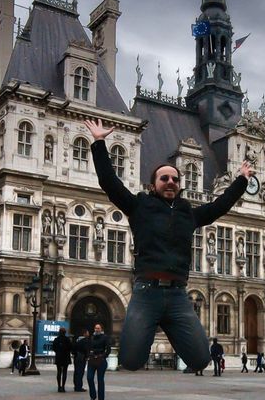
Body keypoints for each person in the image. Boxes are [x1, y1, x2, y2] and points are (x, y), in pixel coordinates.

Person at [85, 119, 251, 372]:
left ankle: (170, 327)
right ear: (154, 185)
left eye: (175, 178)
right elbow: (110, 183)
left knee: (199, 360)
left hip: (177, 295)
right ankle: (150, 325)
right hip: (146, 292)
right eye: (164, 178)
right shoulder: (139, 206)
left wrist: (241, 180)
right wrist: (98, 142)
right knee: (130, 361)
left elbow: (220, 206)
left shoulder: (189, 213)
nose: (171, 181)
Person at [87, 323, 110, 400]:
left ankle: (101, 398)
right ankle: (93, 396)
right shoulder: (92, 337)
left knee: (100, 379)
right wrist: (89, 355)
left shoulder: (105, 337)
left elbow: (108, 349)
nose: (97, 329)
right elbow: (89, 347)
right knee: (89, 377)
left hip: (101, 360)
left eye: (98, 328)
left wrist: (103, 356)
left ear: (101, 329)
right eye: (96, 328)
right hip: (92, 359)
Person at [52, 328, 72, 392]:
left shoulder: (56, 339)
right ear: (65, 332)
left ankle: (59, 386)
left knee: (59, 372)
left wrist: (58, 352)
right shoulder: (67, 339)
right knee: (65, 372)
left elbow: (54, 348)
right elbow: (70, 348)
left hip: (59, 357)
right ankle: (63, 386)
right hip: (66, 357)